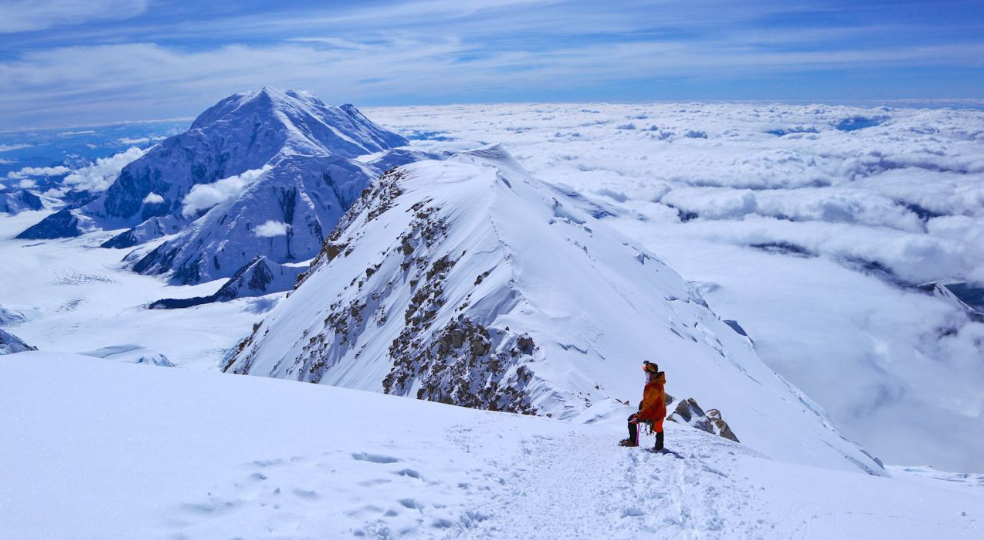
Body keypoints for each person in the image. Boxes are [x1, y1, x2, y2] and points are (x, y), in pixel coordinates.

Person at [620, 361, 666, 450]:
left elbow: (649, 405)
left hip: (653, 414)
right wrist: (642, 404)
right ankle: (659, 447)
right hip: (659, 413)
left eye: (647, 373)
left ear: (650, 374)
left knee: (631, 420)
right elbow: (649, 401)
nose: (646, 375)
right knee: (659, 428)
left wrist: (640, 417)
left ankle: (632, 442)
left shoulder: (654, 386)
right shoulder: (658, 383)